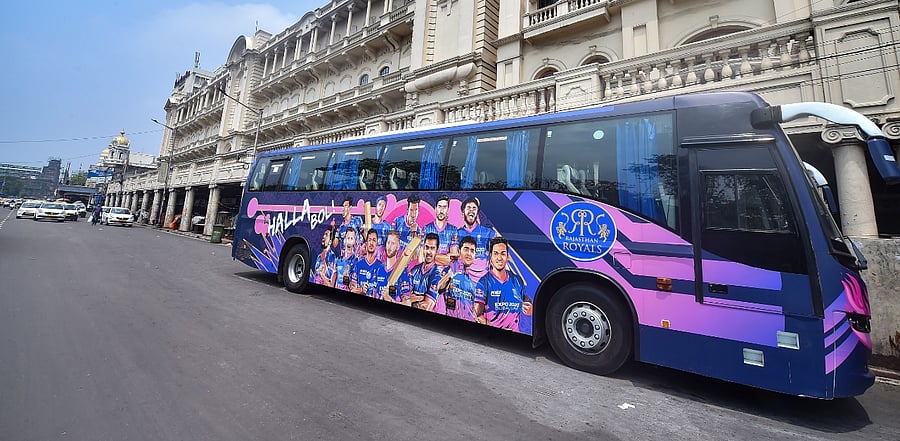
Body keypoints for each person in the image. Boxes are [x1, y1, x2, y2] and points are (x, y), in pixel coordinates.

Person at [474, 237, 532, 332]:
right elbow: (478, 314)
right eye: (496, 253)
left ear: (507, 256)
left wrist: (530, 309)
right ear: (490, 256)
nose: (499, 258)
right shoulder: (484, 282)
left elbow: (527, 301)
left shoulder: (517, 280)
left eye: (503, 254)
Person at [436, 235, 478, 321]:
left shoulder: (472, 283)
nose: (469, 254)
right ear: (459, 251)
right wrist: (451, 273)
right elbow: (439, 288)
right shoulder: (450, 269)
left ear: (475, 256)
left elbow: (472, 309)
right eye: (466, 249)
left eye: (472, 251)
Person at [454, 197, 495, 282]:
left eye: (474, 208)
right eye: (468, 207)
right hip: (462, 281)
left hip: (482, 282)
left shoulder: (487, 233)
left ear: (477, 213)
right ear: (463, 213)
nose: (471, 210)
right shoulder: (456, 234)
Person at [407, 233, 445, 311]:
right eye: (426, 247)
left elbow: (426, 307)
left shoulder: (437, 274)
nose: (428, 252)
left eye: (432, 248)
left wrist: (412, 300)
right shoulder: (414, 270)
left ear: (437, 251)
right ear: (423, 248)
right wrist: (420, 298)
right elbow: (405, 296)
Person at [374, 230, 411, 303]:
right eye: (388, 243)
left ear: (398, 247)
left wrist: (389, 299)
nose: (389, 247)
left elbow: (407, 304)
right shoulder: (379, 268)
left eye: (393, 243)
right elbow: (374, 293)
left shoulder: (402, 271)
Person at [423, 194, 457, 266]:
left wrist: (431, 257)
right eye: (439, 207)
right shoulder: (426, 229)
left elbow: (453, 259)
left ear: (448, 209)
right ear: (435, 208)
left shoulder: (453, 230)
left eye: (444, 207)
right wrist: (445, 258)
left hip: (446, 273)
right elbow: (422, 257)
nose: (441, 210)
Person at [350, 228, 384, 298]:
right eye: (369, 240)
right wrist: (361, 290)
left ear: (377, 244)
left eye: (374, 240)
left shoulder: (381, 266)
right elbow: (352, 289)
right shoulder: (358, 264)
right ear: (366, 243)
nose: (371, 243)